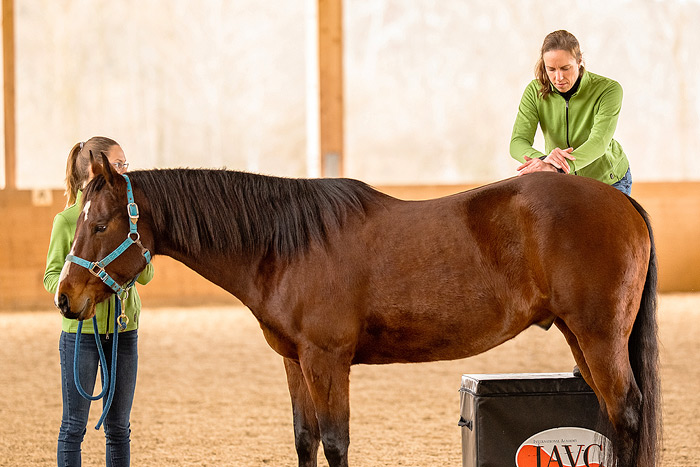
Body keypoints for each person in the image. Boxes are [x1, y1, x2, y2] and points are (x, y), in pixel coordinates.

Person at [44, 136, 154, 467]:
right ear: (98, 171)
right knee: (73, 426)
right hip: (81, 337)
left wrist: (135, 259)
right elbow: (52, 274)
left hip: (124, 330)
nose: (124, 172)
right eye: (119, 165)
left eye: (125, 165)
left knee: (119, 428)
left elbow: (146, 277)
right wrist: (65, 292)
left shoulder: (126, 221)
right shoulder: (67, 221)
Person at [510, 30, 632, 195]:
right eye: (551, 69)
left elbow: (598, 143)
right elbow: (518, 142)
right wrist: (544, 161)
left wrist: (556, 166)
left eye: (565, 68)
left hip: (608, 180)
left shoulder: (608, 90)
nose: (558, 77)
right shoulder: (534, 91)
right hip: (562, 181)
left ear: (579, 61)